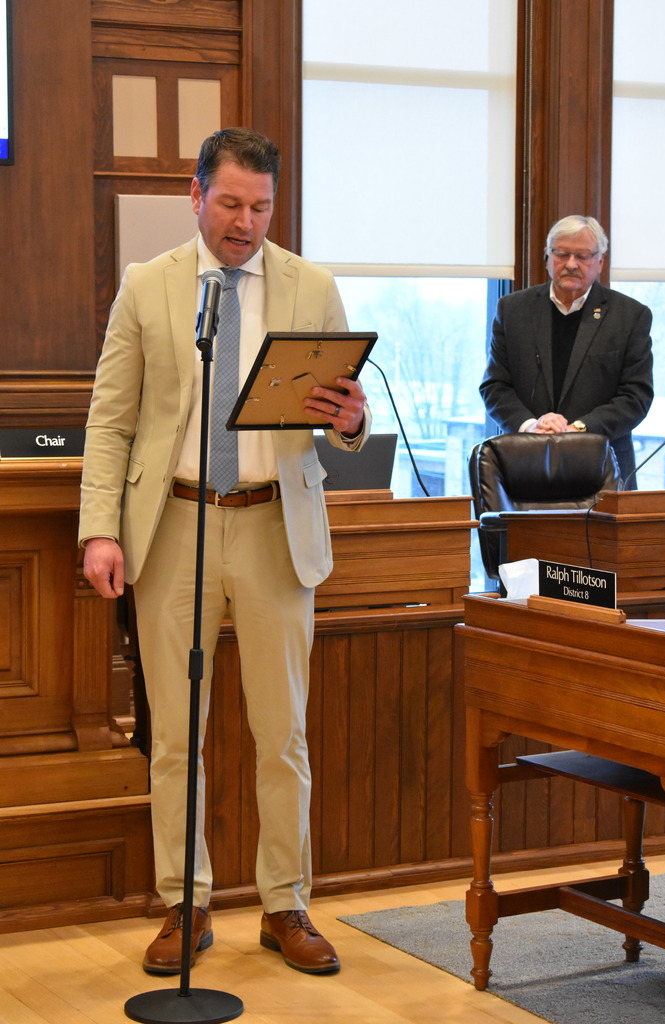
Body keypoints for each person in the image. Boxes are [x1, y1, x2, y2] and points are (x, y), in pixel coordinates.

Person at [79, 127, 371, 977]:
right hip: (172, 526)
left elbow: (339, 418)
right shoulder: (147, 287)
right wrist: (101, 528)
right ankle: (186, 900)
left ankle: (286, 904)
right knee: (176, 733)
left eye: (263, 206)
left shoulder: (309, 285)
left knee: (281, 733)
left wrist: (349, 423)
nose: (247, 222)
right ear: (196, 194)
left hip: (275, 526)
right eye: (232, 203)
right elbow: (111, 418)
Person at [480, 214, 653, 484]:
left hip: (603, 470)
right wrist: (532, 426)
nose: (571, 264)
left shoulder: (630, 316)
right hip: (525, 466)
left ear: (600, 262)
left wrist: (577, 429)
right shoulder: (512, 310)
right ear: (548, 258)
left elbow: (636, 397)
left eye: (582, 256)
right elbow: (495, 387)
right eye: (562, 254)